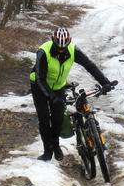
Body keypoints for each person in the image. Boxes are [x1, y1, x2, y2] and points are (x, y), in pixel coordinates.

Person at [30, 27, 112, 161]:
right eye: (58, 47)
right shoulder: (43, 51)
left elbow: (89, 65)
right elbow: (39, 78)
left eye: (64, 47)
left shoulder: (73, 50)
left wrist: (104, 82)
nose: (61, 50)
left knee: (58, 119)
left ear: (69, 42)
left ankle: (56, 146)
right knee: (44, 120)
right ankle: (47, 152)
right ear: (53, 41)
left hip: (58, 87)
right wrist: (51, 97)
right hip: (39, 86)